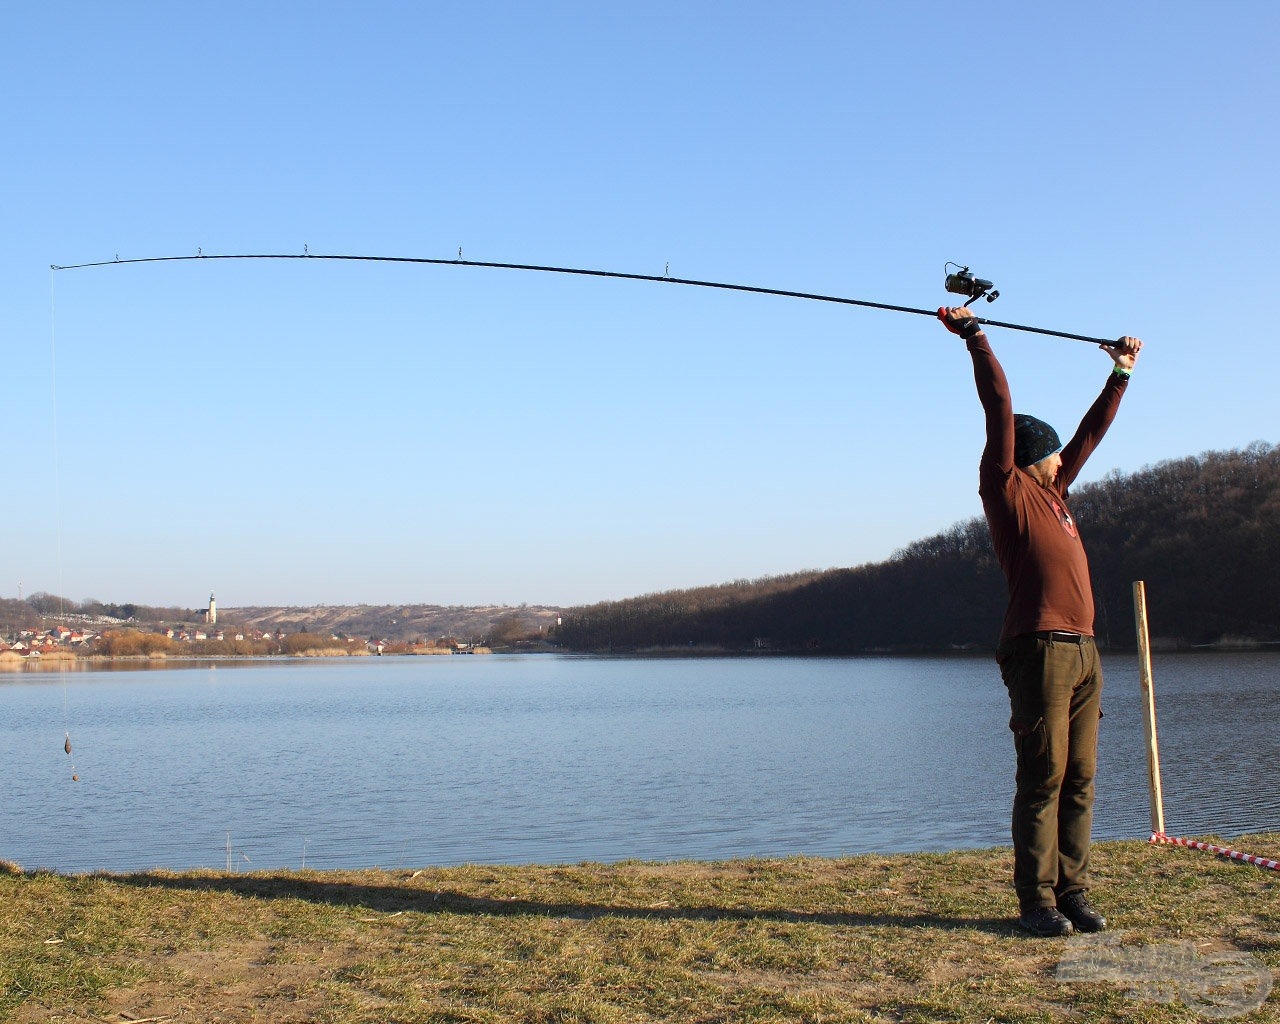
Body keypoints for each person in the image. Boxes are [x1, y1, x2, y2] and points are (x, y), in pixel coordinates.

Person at [939, 305, 1143, 938]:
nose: (1063, 460)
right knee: (1043, 775)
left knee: (1080, 777)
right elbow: (1000, 406)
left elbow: (1089, 435)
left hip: (1083, 651)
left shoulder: (1056, 497)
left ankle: (1072, 892)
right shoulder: (1006, 488)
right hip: (1038, 648)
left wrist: (1120, 374)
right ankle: (1037, 904)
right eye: (1051, 454)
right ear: (1030, 459)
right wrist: (976, 338)